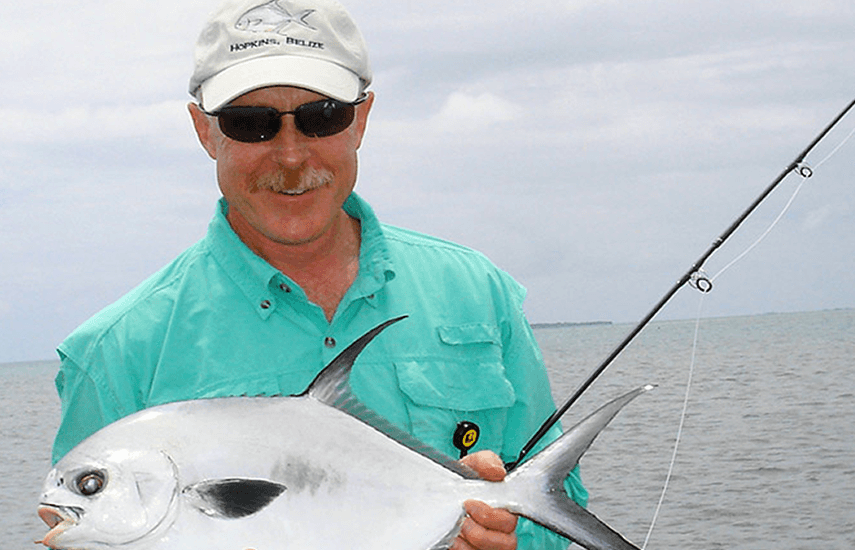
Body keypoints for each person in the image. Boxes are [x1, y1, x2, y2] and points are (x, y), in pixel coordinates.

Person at [49, 1, 586, 549]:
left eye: (322, 116)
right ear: (205, 132)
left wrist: (511, 538)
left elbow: (557, 510)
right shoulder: (113, 356)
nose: (289, 155)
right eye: (250, 123)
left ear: (363, 119)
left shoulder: (476, 292)